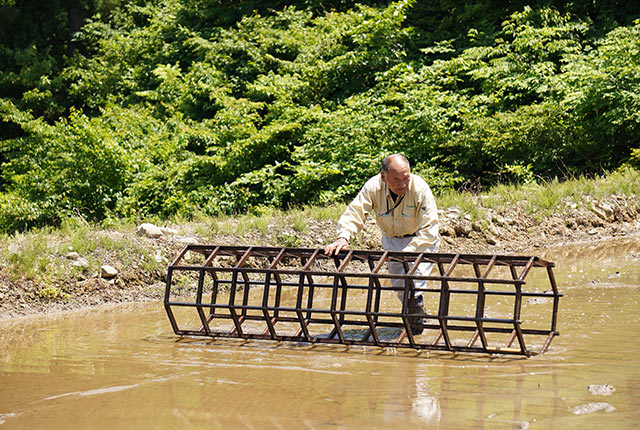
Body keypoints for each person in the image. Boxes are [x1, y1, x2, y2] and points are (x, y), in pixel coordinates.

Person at [324, 154, 440, 335]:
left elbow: (430, 229)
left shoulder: (420, 189)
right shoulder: (373, 187)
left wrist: (409, 251)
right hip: (392, 240)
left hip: (420, 240)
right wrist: (343, 237)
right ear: (383, 177)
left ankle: (416, 329)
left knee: (414, 285)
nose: (402, 184)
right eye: (396, 180)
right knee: (400, 286)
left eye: (406, 178)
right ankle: (418, 319)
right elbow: (355, 212)